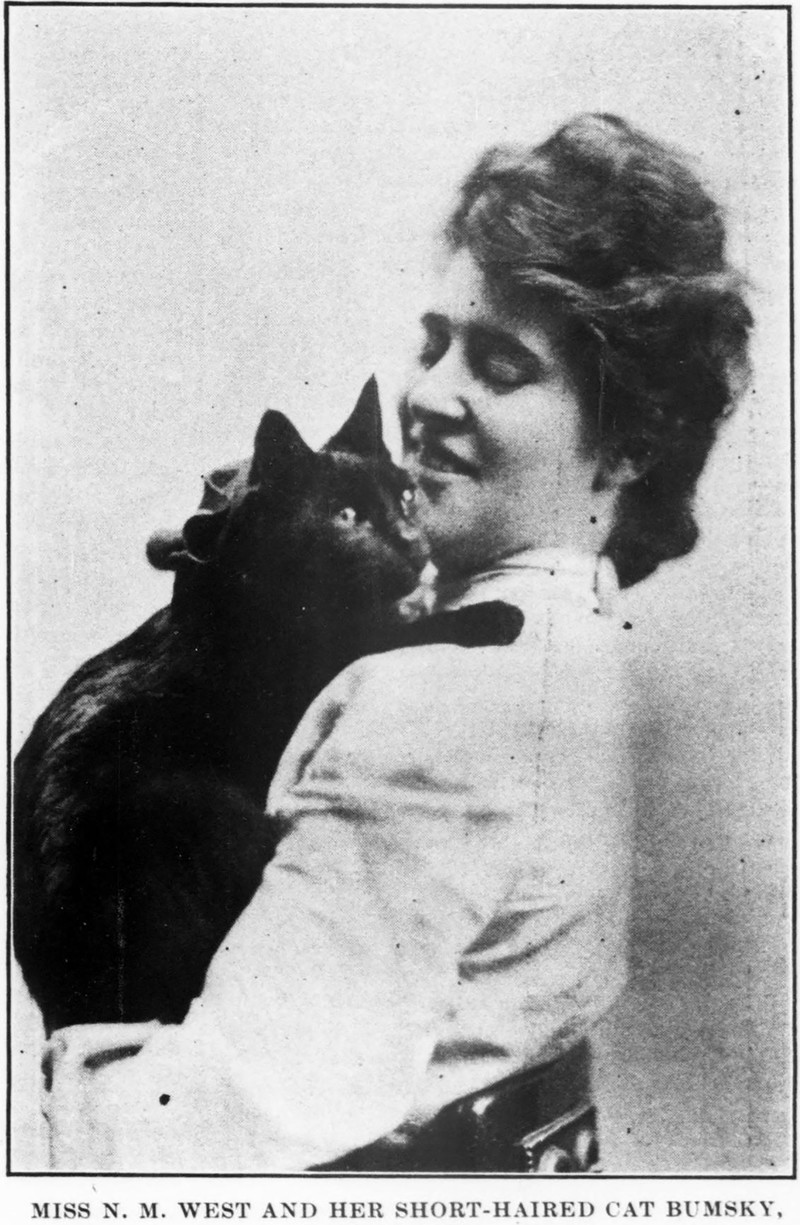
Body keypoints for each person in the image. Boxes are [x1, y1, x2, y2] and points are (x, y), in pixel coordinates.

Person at [43, 113, 752, 1173]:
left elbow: (208, 1132)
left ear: (625, 445)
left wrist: (70, 1082)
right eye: (433, 345)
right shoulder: (577, 633)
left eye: (500, 366)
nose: (425, 396)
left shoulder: (435, 703)